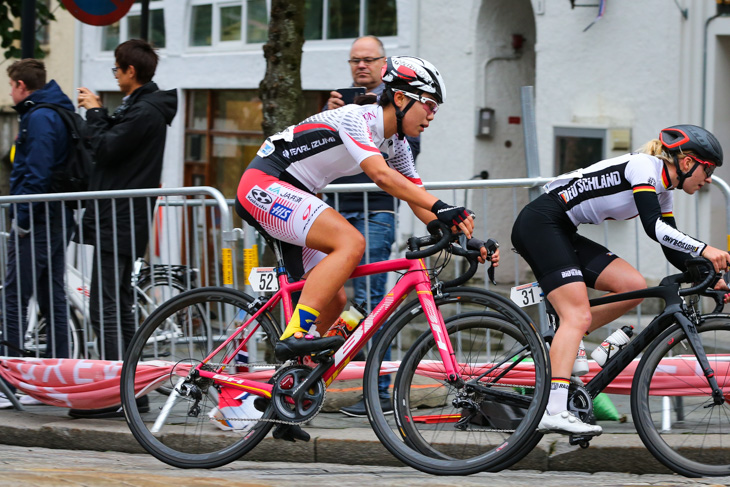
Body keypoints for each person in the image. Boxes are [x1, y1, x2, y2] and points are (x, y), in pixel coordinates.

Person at [236, 56, 497, 437]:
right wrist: (444, 208)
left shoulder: (398, 145)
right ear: (404, 98)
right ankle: (294, 337)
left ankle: (289, 394)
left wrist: (464, 238)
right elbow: (379, 175)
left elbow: (417, 198)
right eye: (430, 105)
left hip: (295, 194)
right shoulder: (357, 117)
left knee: (337, 302)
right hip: (265, 183)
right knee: (350, 242)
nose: (432, 115)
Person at [511, 124, 730, 435]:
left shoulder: (663, 192)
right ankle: (554, 409)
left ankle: (564, 339)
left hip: (563, 229)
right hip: (541, 223)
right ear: (687, 161)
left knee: (633, 286)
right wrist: (704, 248)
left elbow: (670, 246)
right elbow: (654, 228)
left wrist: (709, 278)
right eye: (707, 169)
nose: (709, 179)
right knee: (577, 314)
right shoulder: (644, 167)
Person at [323, 36, 420, 417]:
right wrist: (334, 114)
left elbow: (407, 156)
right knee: (327, 297)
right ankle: (311, 375)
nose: (361, 66)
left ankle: (379, 392)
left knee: (371, 301)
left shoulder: (400, 101)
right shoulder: (342, 106)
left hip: (375, 210)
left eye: (369, 60)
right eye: (354, 60)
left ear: (384, 63)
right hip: (330, 208)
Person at [75, 39, 177, 365]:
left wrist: (93, 111)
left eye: (117, 69)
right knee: (117, 303)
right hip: (120, 219)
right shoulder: (139, 107)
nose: (115, 75)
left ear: (131, 71)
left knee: (105, 306)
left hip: (119, 220)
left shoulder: (144, 111)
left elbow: (106, 148)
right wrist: (100, 114)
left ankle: (116, 389)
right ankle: (131, 390)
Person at [0, 59, 75, 408]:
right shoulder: (52, 109)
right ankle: (54, 377)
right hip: (54, 217)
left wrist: (23, 217)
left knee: (15, 294)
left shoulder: (40, 116)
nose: (10, 92)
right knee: (50, 295)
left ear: (20, 85)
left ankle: (11, 381)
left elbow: (37, 171)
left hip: (39, 219)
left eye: (11, 85)